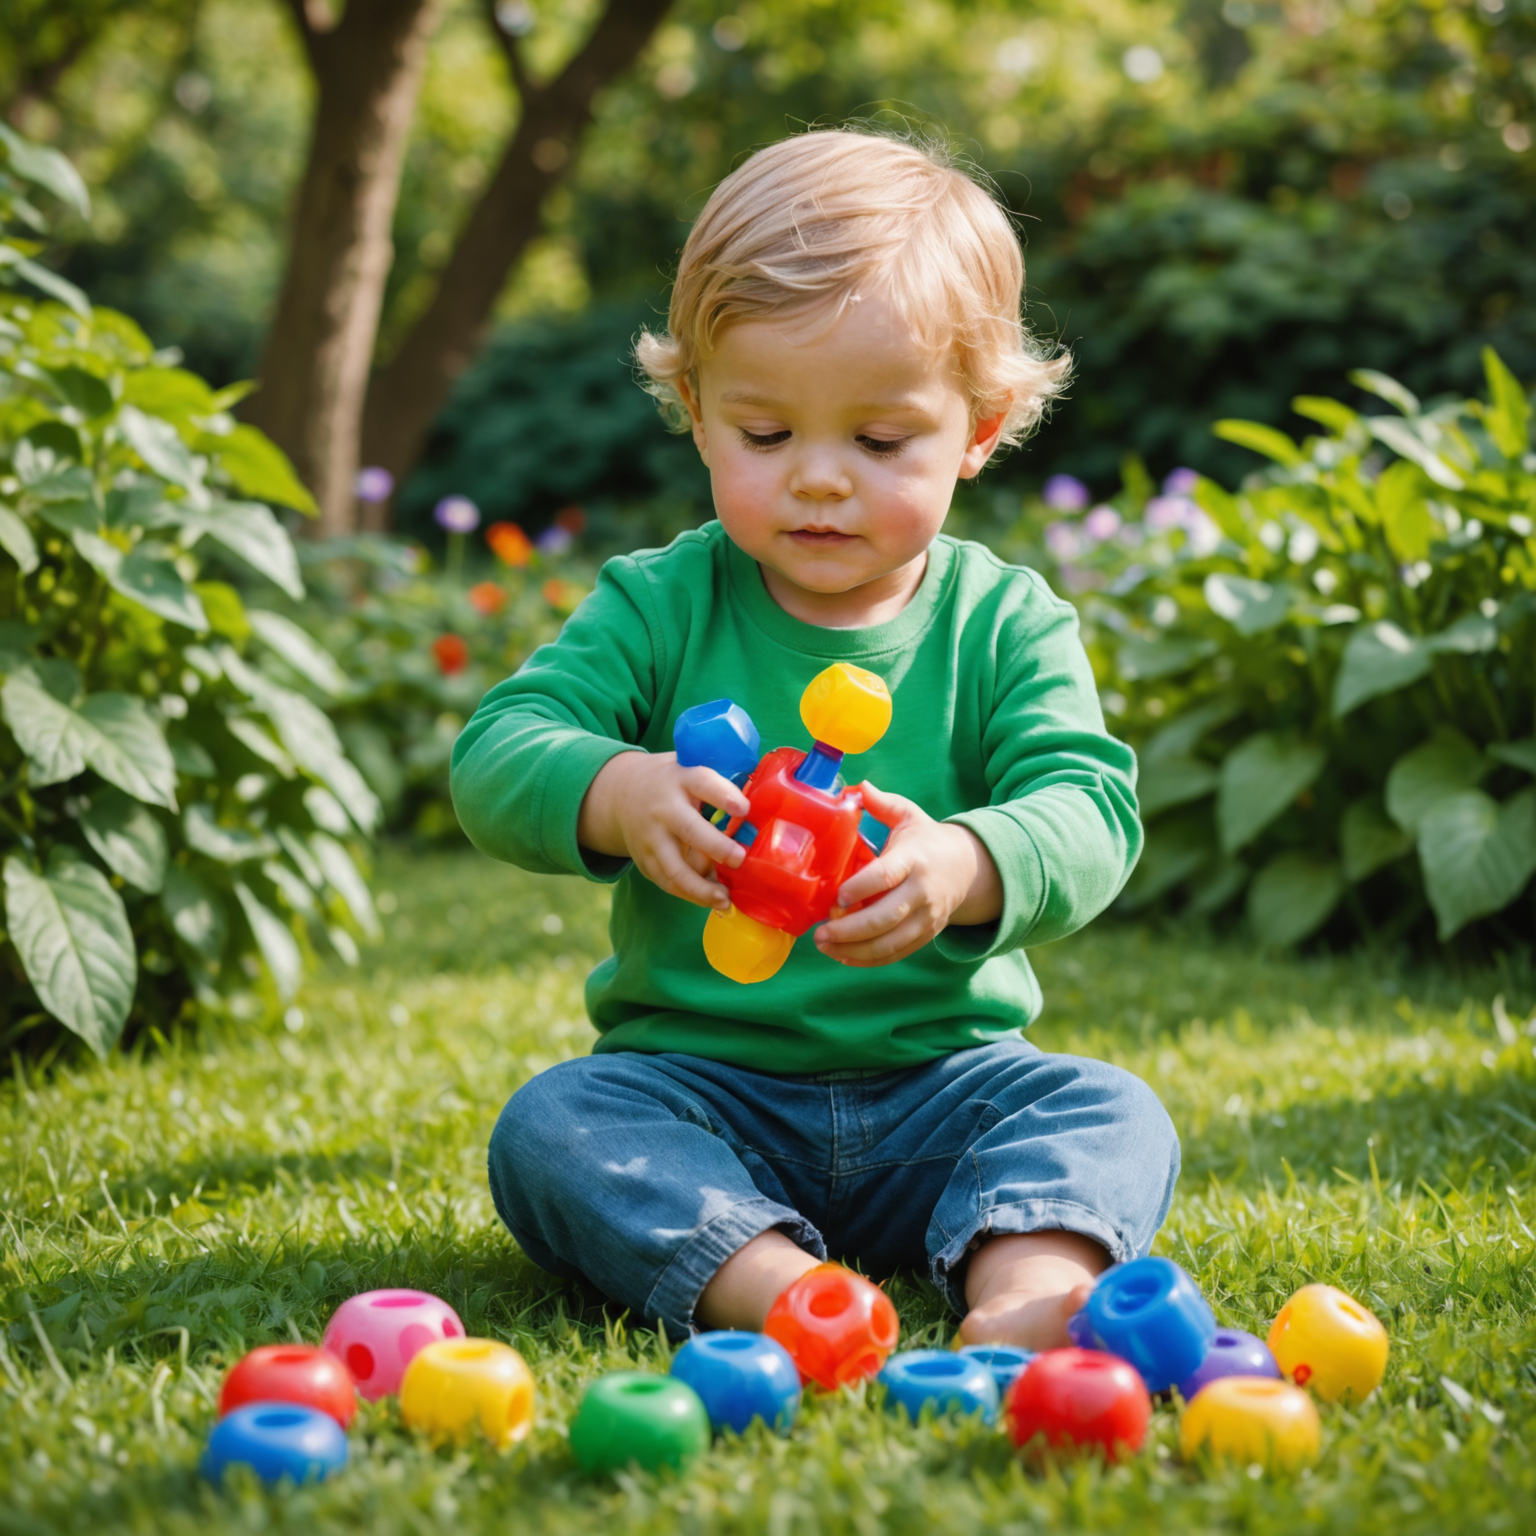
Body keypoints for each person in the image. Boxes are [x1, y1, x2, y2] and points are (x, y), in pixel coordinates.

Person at [451, 129, 1179, 1348]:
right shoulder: (660, 602)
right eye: (767, 435)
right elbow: (498, 751)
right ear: (694, 411)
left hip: (946, 1090)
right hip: (699, 1091)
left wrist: (965, 864)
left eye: (881, 442)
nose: (820, 481)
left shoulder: (1005, 621)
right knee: (554, 1126)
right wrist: (618, 791)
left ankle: (1022, 1287)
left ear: (982, 428)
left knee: (1109, 1111)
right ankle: (778, 1288)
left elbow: (1090, 806)